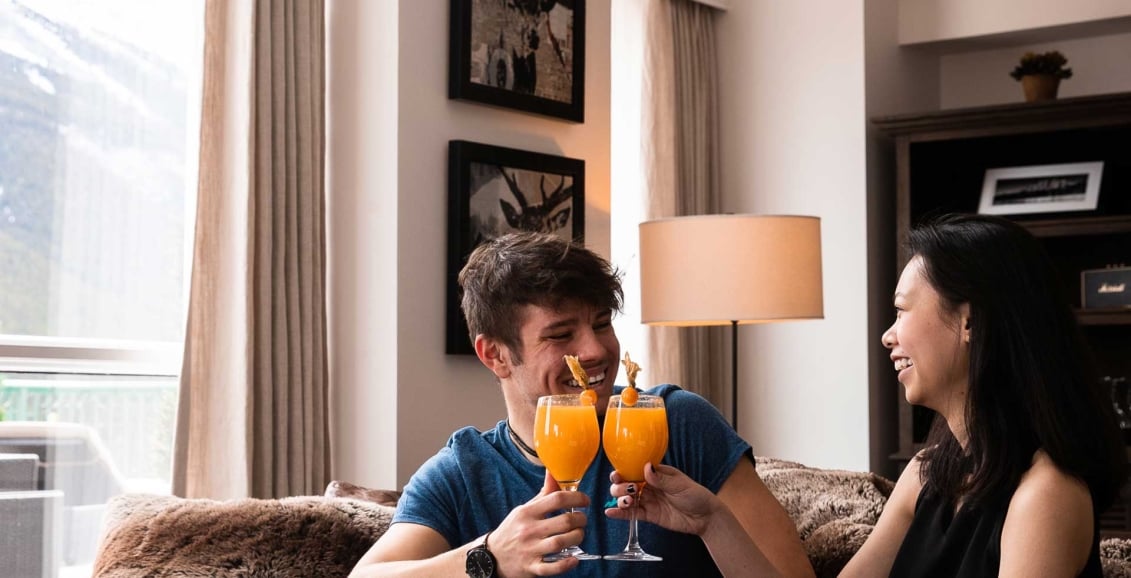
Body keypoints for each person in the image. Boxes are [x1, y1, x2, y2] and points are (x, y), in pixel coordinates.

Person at [609, 214, 1127, 577]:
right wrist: (711, 521)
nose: (888, 334)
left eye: (902, 310)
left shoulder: (1046, 495)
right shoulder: (926, 476)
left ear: (970, 322)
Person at [349, 232, 814, 577]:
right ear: (495, 355)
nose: (595, 350)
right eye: (560, 334)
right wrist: (489, 557)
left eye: (602, 323)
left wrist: (714, 524)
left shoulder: (675, 422)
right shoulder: (464, 472)